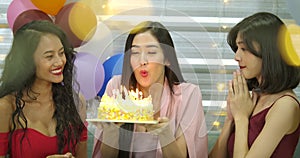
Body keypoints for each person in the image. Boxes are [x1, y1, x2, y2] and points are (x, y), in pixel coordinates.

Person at [92, 21, 208, 158]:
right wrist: (111, 130)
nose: (142, 61)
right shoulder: (117, 87)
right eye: (135, 52)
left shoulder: (188, 94)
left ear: (167, 59)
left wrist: (165, 134)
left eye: (151, 52)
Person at [209, 12, 300, 158]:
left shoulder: (285, 106)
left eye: (244, 49)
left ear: (268, 51)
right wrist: (230, 119)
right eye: (237, 49)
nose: (236, 57)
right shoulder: (252, 98)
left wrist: (241, 118)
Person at [0, 20, 88, 158]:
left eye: (61, 53)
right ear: (27, 61)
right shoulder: (6, 107)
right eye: (49, 56)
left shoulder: (76, 102)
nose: (59, 62)